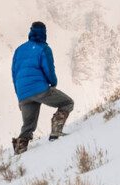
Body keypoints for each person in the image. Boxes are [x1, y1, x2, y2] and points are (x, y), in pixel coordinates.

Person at [11, 21, 74, 154]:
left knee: (28, 126)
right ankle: (56, 132)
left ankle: (19, 150)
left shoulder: (19, 50)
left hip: (23, 94)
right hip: (40, 89)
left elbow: (14, 73)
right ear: (44, 33)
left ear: (31, 32)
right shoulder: (43, 48)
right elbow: (49, 70)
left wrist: (19, 95)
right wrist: (53, 83)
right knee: (67, 103)